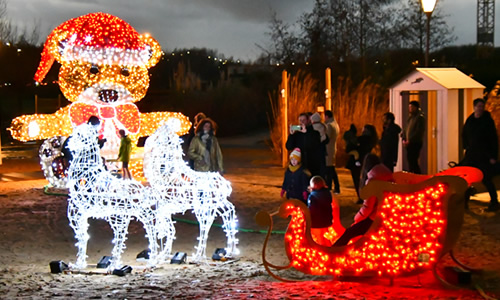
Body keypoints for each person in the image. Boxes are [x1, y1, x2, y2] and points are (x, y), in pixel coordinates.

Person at [333, 154, 393, 246]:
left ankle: (334, 251)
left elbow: (368, 207)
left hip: (375, 217)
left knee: (349, 233)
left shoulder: (372, 181)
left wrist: (356, 219)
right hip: (388, 213)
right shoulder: (389, 174)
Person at [461, 98, 499, 212]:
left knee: (486, 178)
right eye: (478, 106)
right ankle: (465, 202)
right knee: (467, 178)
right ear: (474, 107)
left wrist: (493, 156)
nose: (480, 108)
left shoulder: (487, 121)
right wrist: (466, 147)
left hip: (484, 155)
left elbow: (493, 139)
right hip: (472, 154)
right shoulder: (470, 120)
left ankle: (494, 202)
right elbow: (464, 134)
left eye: (482, 106)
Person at [286, 112, 322, 177]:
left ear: (308, 121)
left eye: (304, 120)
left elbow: (315, 145)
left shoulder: (314, 133)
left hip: (312, 165)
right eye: (300, 120)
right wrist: (291, 135)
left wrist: (306, 133)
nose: (301, 122)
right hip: (300, 165)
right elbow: (289, 147)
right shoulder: (297, 135)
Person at [307, 176, 333, 246]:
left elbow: (311, 209)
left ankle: (323, 253)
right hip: (326, 221)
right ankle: (330, 249)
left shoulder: (312, 196)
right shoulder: (327, 193)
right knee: (326, 237)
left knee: (319, 239)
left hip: (316, 222)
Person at [402, 101, 425, 174]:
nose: (410, 109)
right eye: (409, 107)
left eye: (412, 107)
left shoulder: (419, 118)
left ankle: (417, 175)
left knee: (413, 161)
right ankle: (411, 174)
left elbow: (418, 131)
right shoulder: (410, 118)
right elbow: (406, 129)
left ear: (416, 108)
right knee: (410, 160)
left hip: (415, 143)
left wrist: (410, 140)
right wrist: (404, 139)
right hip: (409, 143)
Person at [324, 110, 340, 193]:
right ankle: (337, 187)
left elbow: (326, 138)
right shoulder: (335, 124)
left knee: (329, 170)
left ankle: (329, 186)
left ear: (326, 116)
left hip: (328, 150)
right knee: (332, 169)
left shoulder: (329, 126)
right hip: (332, 149)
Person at [310, 112, 329, 180]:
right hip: (322, 150)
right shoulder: (323, 126)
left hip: (315, 151)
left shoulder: (314, 127)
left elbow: (302, 128)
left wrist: (294, 127)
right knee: (322, 169)